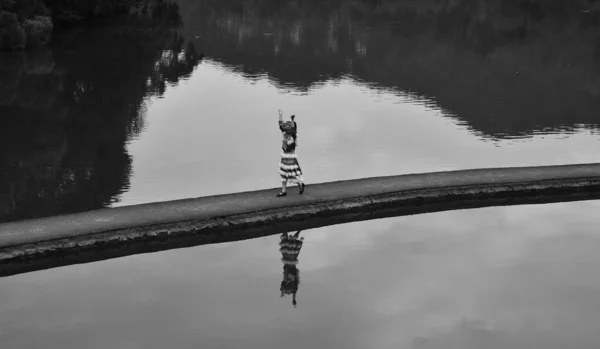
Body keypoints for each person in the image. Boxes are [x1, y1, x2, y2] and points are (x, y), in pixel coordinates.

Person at [277, 109, 305, 197]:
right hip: (284, 156)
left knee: (292, 172)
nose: (287, 126)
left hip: (290, 157)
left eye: (289, 125)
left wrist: (292, 120)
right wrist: (280, 115)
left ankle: (300, 184)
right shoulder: (285, 133)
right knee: (283, 173)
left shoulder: (293, 136)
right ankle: (284, 191)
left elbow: (293, 128)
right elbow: (281, 124)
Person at [279, 230, 304, 307]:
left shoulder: (286, 281)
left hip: (288, 260)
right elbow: (294, 293)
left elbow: (284, 287)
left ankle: (287, 230)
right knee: (291, 245)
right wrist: (294, 300)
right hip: (290, 260)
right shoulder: (293, 285)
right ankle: (298, 230)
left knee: (287, 244)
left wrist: (283, 292)